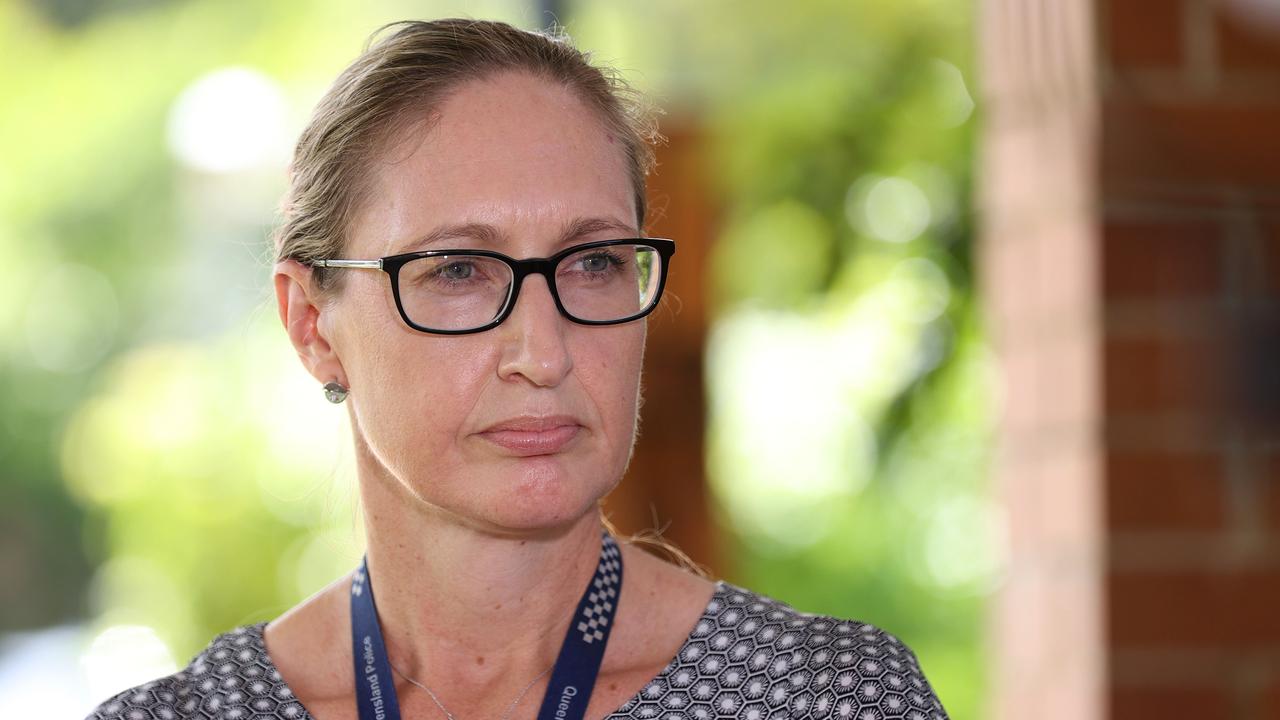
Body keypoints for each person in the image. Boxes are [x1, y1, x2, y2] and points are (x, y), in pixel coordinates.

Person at [87, 18, 948, 720]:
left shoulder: (827, 699)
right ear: (312, 323)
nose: (544, 353)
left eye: (593, 263)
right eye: (458, 271)